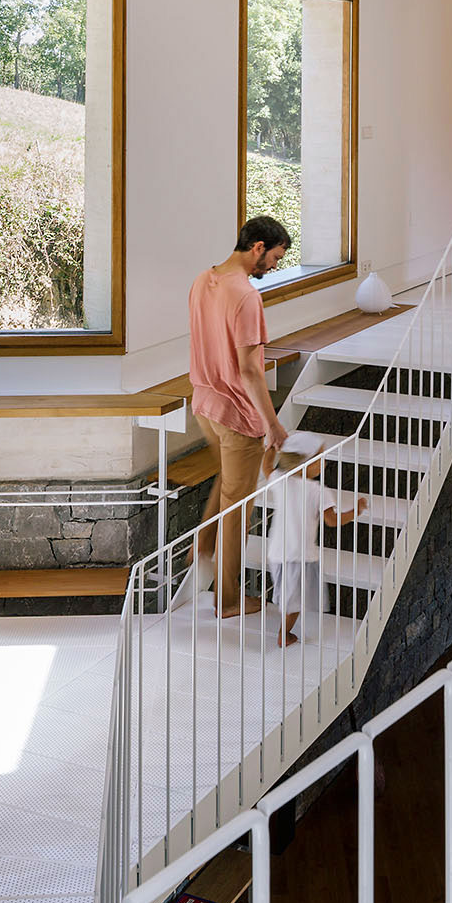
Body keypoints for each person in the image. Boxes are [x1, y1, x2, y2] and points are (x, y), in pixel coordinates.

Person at [188, 216, 292, 617]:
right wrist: (272, 424)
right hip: (235, 415)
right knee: (238, 506)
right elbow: (250, 370)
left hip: (204, 405)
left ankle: (204, 544)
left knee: (227, 484)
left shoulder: (202, 280)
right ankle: (227, 600)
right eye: (276, 257)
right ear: (258, 247)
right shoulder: (247, 296)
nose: (275, 266)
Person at [265, 445, 368, 647]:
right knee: (296, 600)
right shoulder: (318, 491)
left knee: (287, 591)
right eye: (319, 459)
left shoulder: (280, 480)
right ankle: (283, 634)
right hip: (299, 554)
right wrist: (357, 510)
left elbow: (266, 467)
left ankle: (284, 622)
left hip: (277, 551)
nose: (324, 463)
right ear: (305, 464)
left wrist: (271, 446)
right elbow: (331, 520)